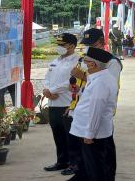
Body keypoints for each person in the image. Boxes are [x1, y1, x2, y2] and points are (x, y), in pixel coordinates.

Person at [68, 28, 122, 180]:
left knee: (102, 159)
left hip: (98, 120)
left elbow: (100, 96)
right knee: (87, 157)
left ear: (101, 42)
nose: (88, 47)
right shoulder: (90, 60)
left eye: (91, 44)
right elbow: (90, 88)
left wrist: (83, 76)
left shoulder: (111, 62)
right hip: (85, 113)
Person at [42, 33, 80, 173]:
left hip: (67, 104)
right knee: (58, 134)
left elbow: (71, 82)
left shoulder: (77, 62)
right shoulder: (55, 61)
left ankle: (74, 164)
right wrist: (47, 91)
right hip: (53, 104)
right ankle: (62, 161)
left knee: (71, 136)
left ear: (71, 46)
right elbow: (47, 78)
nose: (59, 47)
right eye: (58, 44)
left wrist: (52, 90)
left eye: (62, 45)